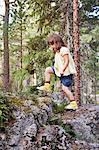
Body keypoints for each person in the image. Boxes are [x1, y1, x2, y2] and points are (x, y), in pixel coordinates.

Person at [37, 33, 78, 110]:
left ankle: (73, 104)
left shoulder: (64, 50)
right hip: (58, 70)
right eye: (50, 44)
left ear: (58, 43)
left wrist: (63, 69)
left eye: (53, 44)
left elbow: (66, 61)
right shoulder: (57, 51)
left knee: (65, 88)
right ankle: (47, 86)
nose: (51, 46)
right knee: (48, 70)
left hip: (66, 73)